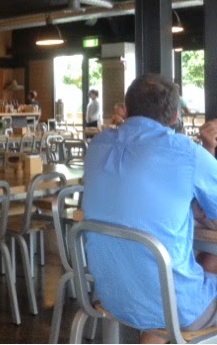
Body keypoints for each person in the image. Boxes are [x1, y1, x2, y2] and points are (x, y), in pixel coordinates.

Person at [83, 74, 217, 341]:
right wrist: (208, 150)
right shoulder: (186, 152)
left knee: (197, 263)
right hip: (173, 307)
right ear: (175, 116)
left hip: (111, 296)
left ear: (126, 109)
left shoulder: (98, 144)